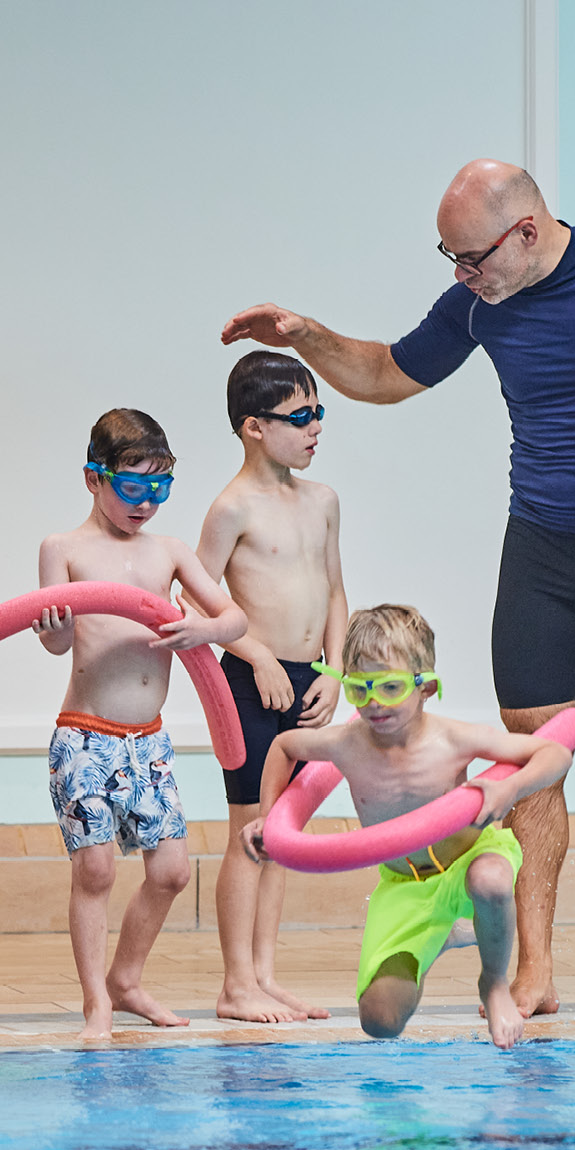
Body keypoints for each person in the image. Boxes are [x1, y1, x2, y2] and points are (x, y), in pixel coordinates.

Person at [222, 158, 575, 1018]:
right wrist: (304, 334)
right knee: (533, 763)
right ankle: (534, 968)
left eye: (472, 258)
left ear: (527, 233)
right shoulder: (479, 302)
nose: (461, 277)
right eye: (450, 258)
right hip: (542, 550)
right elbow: (388, 372)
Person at [242, 605, 572, 1049]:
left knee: (491, 880)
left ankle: (493, 984)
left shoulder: (452, 740)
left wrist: (508, 788)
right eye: (360, 690)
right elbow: (283, 746)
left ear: (426, 688)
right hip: (404, 884)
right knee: (380, 1021)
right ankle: (441, 933)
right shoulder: (346, 744)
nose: (375, 704)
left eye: (391, 687)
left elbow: (555, 754)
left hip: (469, 857)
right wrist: (268, 818)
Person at [32, 409, 249, 1040]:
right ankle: (96, 998)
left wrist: (204, 631)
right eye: (133, 487)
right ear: (93, 479)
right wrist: (57, 626)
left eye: (161, 487)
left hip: (147, 740)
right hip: (84, 733)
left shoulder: (170, 553)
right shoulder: (63, 549)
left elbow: (232, 618)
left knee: (173, 871)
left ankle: (127, 980)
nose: (146, 503)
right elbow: (56, 645)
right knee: (96, 869)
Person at [195, 352, 347, 1024]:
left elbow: (337, 591)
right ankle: (234, 984)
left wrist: (336, 672)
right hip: (252, 684)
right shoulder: (232, 508)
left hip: (312, 685)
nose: (316, 428)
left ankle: (264, 973)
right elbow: (194, 604)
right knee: (249, 833)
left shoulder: (322, 500)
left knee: (283, 834)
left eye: (319, 413)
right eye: (301, 417)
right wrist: (255, 655)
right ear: (254, 427)